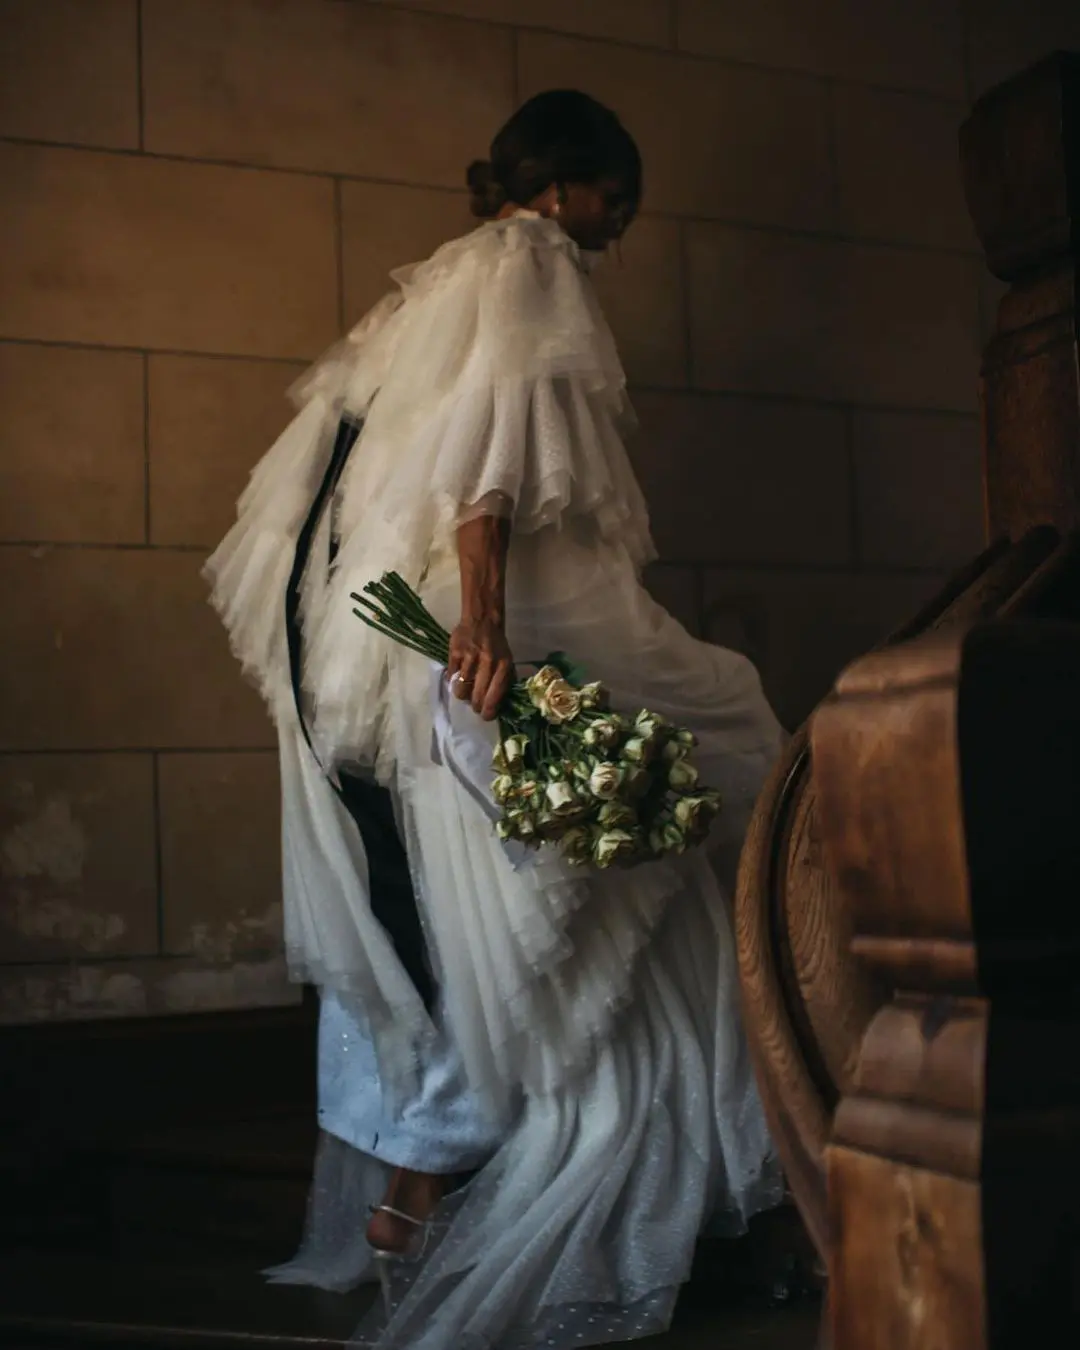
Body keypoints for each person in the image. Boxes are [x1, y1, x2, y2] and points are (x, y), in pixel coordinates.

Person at [206, 89, 787, 1350]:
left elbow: (318, 497)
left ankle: (420, 1189)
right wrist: (480, 615)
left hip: (367, 645)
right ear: (568, 184)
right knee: (712, 749)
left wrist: (363, 659)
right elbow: (489, 452)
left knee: (527, 879)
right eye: (614, 197)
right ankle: (613, 1160)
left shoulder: (414, 297)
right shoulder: (530, 258)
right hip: (464, 623)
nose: (617, 226)